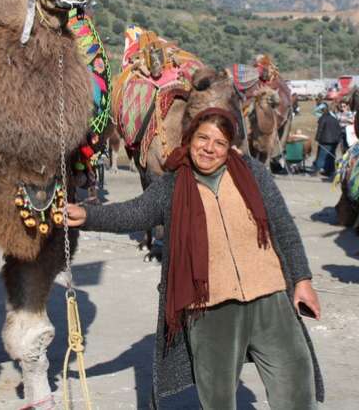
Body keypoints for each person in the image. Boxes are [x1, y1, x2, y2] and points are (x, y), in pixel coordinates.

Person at [66, 107, 323, 410]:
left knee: (296, 387)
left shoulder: (253, 175)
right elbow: (133, 213)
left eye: (219, 143)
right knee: (217, 399)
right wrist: (87, 214)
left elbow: (285, 228)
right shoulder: (172, 186)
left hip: (270, 298)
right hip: (210, 309)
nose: (209, 148)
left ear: (230, 148)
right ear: (189, 139)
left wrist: (302, 281)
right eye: (203, 138)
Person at [311, 103, 341, 177]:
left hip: (325, 140)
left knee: (321, 156)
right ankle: (330, 171)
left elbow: (320, 129)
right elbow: (339, 130)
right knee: (331, 156)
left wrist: (317, 139)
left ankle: (317, 171)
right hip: (334, 141)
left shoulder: (323, 118)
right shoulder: (334, 119)